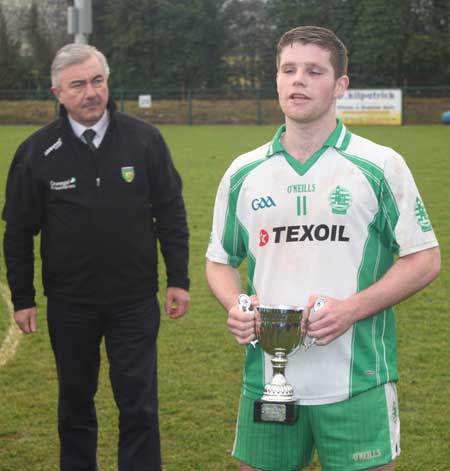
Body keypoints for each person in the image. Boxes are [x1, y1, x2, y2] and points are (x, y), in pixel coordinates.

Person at [205, 26, 440, 471]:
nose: (298, 80)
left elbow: (425, 258)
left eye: (314, 71)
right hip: (266, 382)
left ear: (340, 85)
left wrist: (351, 309)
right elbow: (219, 261)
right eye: (288, 70)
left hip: (358, 383)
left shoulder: (379, 165)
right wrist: (236, 304)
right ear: (275, 80)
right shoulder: (244, 173)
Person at [2, 43, 190, 471]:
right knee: (74, 406)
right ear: (58, 93)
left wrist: (178, 278)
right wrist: (24, 296)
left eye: (97, 81)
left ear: (107, 82)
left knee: (139, 405)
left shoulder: (145, 140)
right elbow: (18, 231)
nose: (91, 92)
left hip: (135, 301)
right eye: (78, 85)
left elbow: (171, 213)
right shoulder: (36, 152)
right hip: (70, 305)